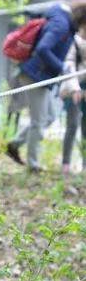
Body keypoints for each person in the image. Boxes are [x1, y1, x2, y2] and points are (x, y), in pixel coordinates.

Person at [6, 1, 86, 172]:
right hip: (34, 74)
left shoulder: (66, 25)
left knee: (49, 117)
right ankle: (33, 165)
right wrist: (62, 67)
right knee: (39, 120)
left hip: (41, 75)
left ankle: (14, 144)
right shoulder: (61, 24)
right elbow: (43, 48)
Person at [60, 28, 86, 174]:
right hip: (73, 88)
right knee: (73, 124)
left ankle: (85, 165)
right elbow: (68, 66)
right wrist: (74, 88)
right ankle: (65, 164)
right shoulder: (74, 42)